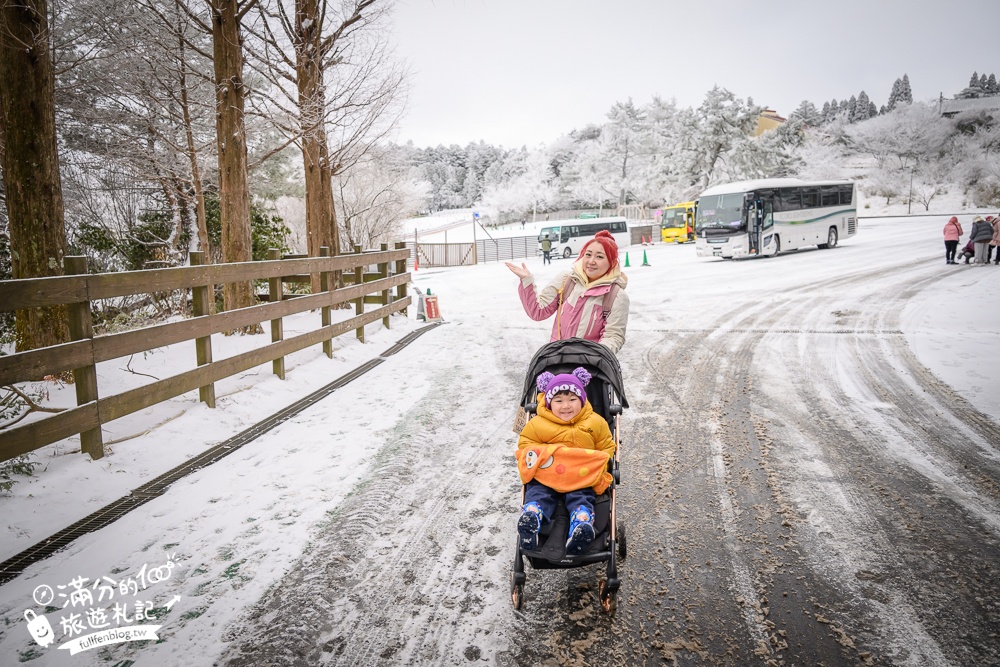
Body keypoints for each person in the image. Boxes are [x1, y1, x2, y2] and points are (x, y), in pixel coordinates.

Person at [515, 367, 615, 555]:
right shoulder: (538, 424)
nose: (566, 406)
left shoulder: (595, 422)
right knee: (539, 493)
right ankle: (532, 516)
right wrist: (544, 454)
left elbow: (606, 446)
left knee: (582, 496)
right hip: (548, 475)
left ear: (583, 400)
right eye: (558, 401)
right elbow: (526, 445)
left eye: (572, 399)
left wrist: (602, 465)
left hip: (580, 476)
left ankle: (581, 524)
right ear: (549, 403)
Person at [505, 230, 630, 354]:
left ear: (612, 263)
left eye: (600, 256)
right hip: (557, 362)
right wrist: (527, 280)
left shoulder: (616, 296)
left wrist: (592, 357)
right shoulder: (566, 280)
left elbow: (613, 336)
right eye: (588, 254)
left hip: (589, 368)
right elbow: (538, 311)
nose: (591, 261)